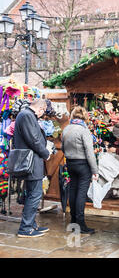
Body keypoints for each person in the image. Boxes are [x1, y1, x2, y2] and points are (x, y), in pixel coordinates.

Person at [14, 98, 51, 238]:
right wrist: (45, 153)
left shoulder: (26, 115)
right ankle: (26, 228)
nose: (42, 114)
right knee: (35, 194)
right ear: (40, 108)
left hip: (31, 161)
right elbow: (33, 139)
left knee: (32, 194)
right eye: (43, 111)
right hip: (32, 161)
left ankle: (31, 225)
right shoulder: (27, 115)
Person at [62, 106, 99, 234]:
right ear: (85, 117)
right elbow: (90, 153)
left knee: (73, 191)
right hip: (83, 164)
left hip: (70, 163)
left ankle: (73, 222)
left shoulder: (66, 129)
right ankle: (81, 225)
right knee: (81, 194)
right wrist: (95, 170)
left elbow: (62, 147)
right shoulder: (84, 130)